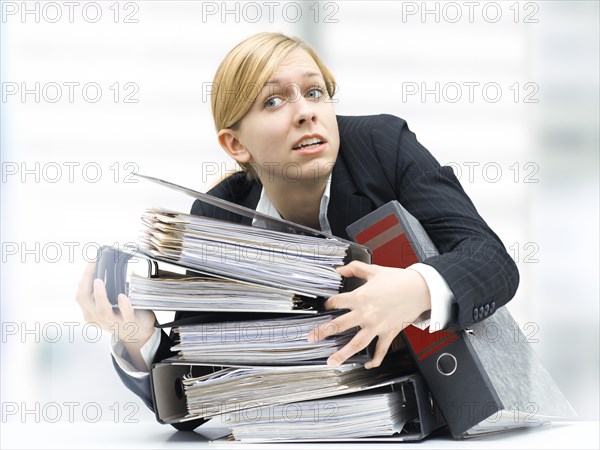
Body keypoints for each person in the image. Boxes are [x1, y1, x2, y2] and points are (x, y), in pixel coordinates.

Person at [75, 32, 519, 429]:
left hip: (438, 413)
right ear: (235, 144)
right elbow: (195, 395)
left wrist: (416, 289)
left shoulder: (382, 147)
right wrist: (137, 336)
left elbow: (491, 259)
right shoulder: (219, 222)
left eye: (315, 92)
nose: (305, 112)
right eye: (273, 101)